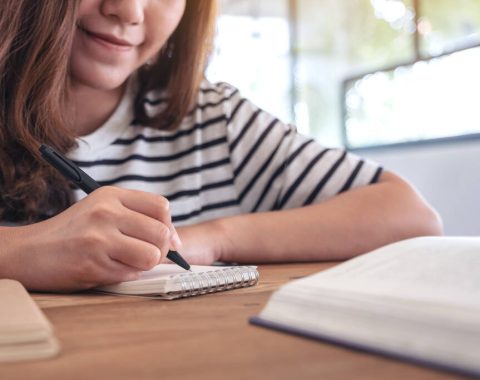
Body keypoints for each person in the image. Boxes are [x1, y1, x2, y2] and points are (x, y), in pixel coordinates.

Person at [0, 0, 442, 292]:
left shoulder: (212, 118)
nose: (129, 10)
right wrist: (24, 250)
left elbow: (411, 216)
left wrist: (214, 239)